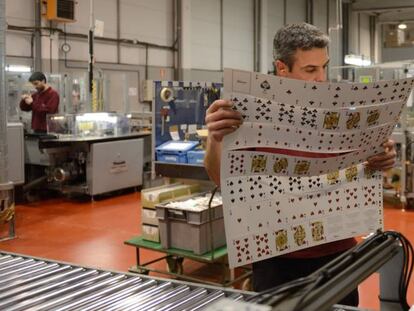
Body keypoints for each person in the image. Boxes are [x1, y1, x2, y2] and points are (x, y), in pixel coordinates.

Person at [204, 23, 396, 306]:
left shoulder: (341, 113)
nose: (321, 79)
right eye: (310, 70)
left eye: (324, 67)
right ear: (282, 68)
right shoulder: (249, 115)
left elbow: (365, 168)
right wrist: (215, 140)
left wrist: (382, 158)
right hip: (278, 259)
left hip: (338, 254)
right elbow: (222, 179)